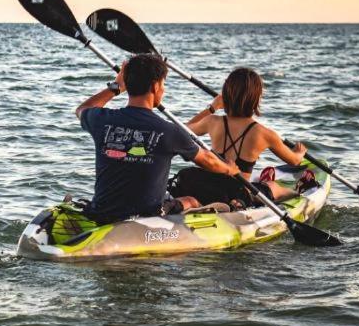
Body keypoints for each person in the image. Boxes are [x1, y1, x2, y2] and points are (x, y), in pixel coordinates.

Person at [76, 53, 241, 223]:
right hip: (147, 218)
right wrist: (229, 169)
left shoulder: (102, 120)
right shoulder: (170, 131)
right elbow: (208, 160)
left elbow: (82, 109)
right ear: (155, 87)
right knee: (190, 201)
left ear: (128, 84)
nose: (163, 90)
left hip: (100, 212)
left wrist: (116, 86)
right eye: (163, 84)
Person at [176, 66, 313, 207]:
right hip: (237, 192)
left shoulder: (212, 121)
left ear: (226, 94)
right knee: (273, 186)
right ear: (256, 99)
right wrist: (299, 152)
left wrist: (212, 108)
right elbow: (294, 161)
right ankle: (298, 192)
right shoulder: (264, 133)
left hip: (209, 186)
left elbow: (181, 129)